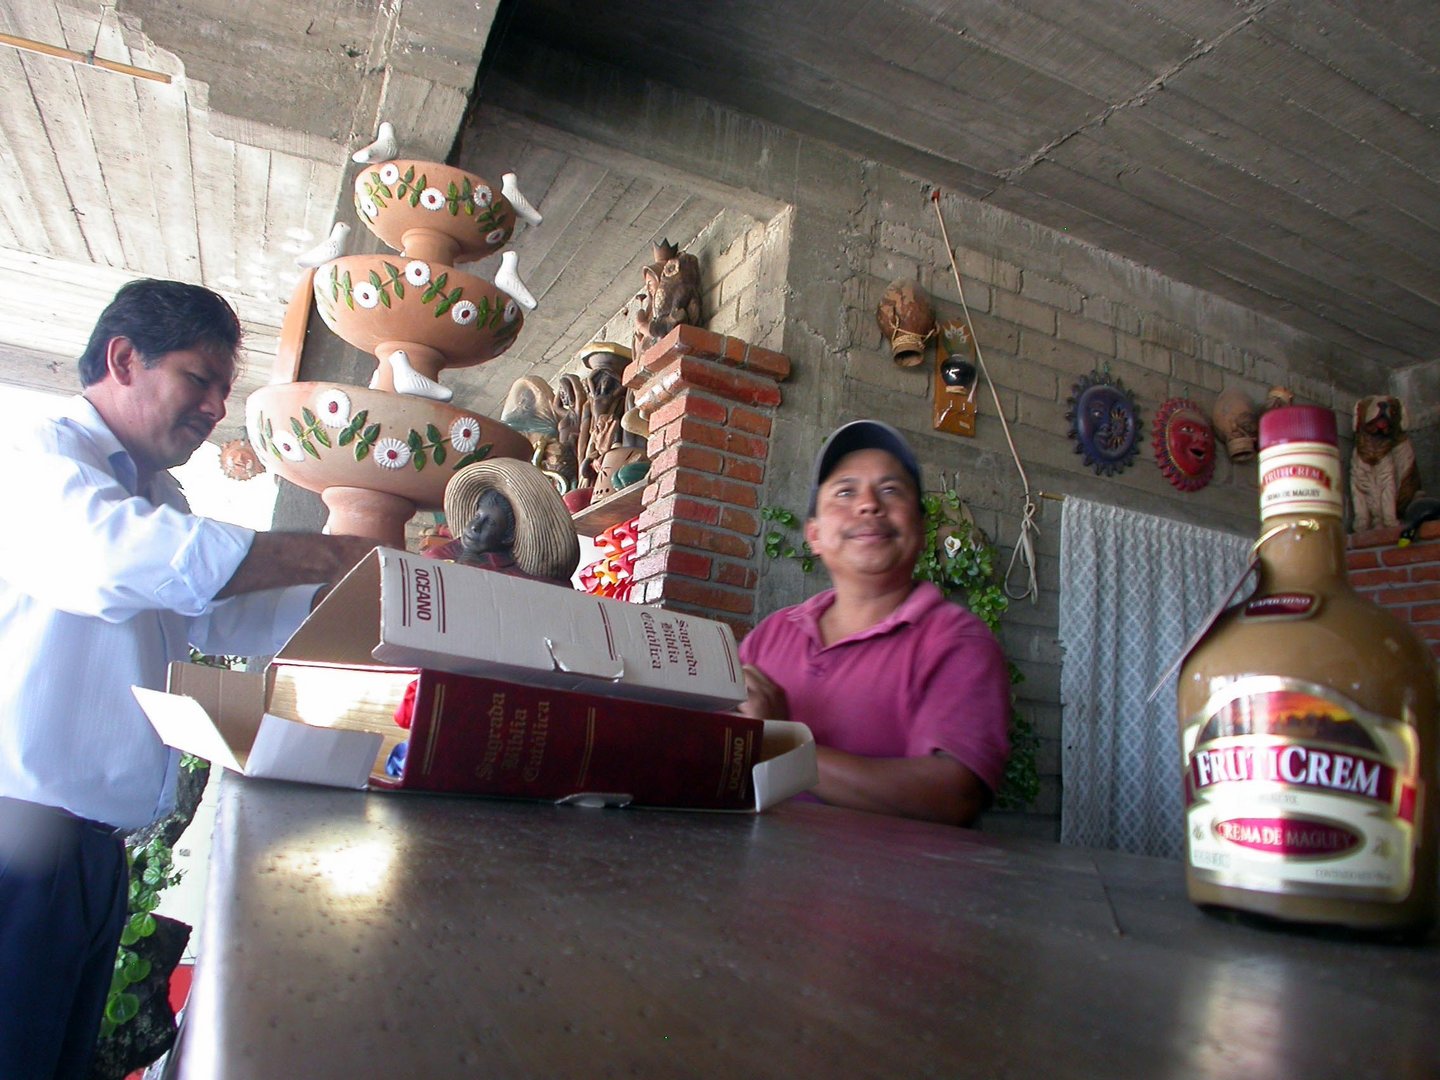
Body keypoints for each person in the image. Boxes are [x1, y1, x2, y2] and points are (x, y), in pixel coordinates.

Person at [0, 278, 378, 1079]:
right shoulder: (41, 460)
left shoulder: (157, 495)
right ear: (123, 358)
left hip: (89, 856)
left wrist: (382, 601)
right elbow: (114, 557)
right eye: (198, 380)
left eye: (222, 389)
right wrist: (329, 553)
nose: (214, 407)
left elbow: (226, 621)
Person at [738, 419, 1010, 827]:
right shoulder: (771, 636)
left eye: (891, 490)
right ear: (814, 534)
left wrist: (781, 745)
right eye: (845, 491)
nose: (868, 504)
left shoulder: (957, 642)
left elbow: (955, 795)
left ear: (919, 529)